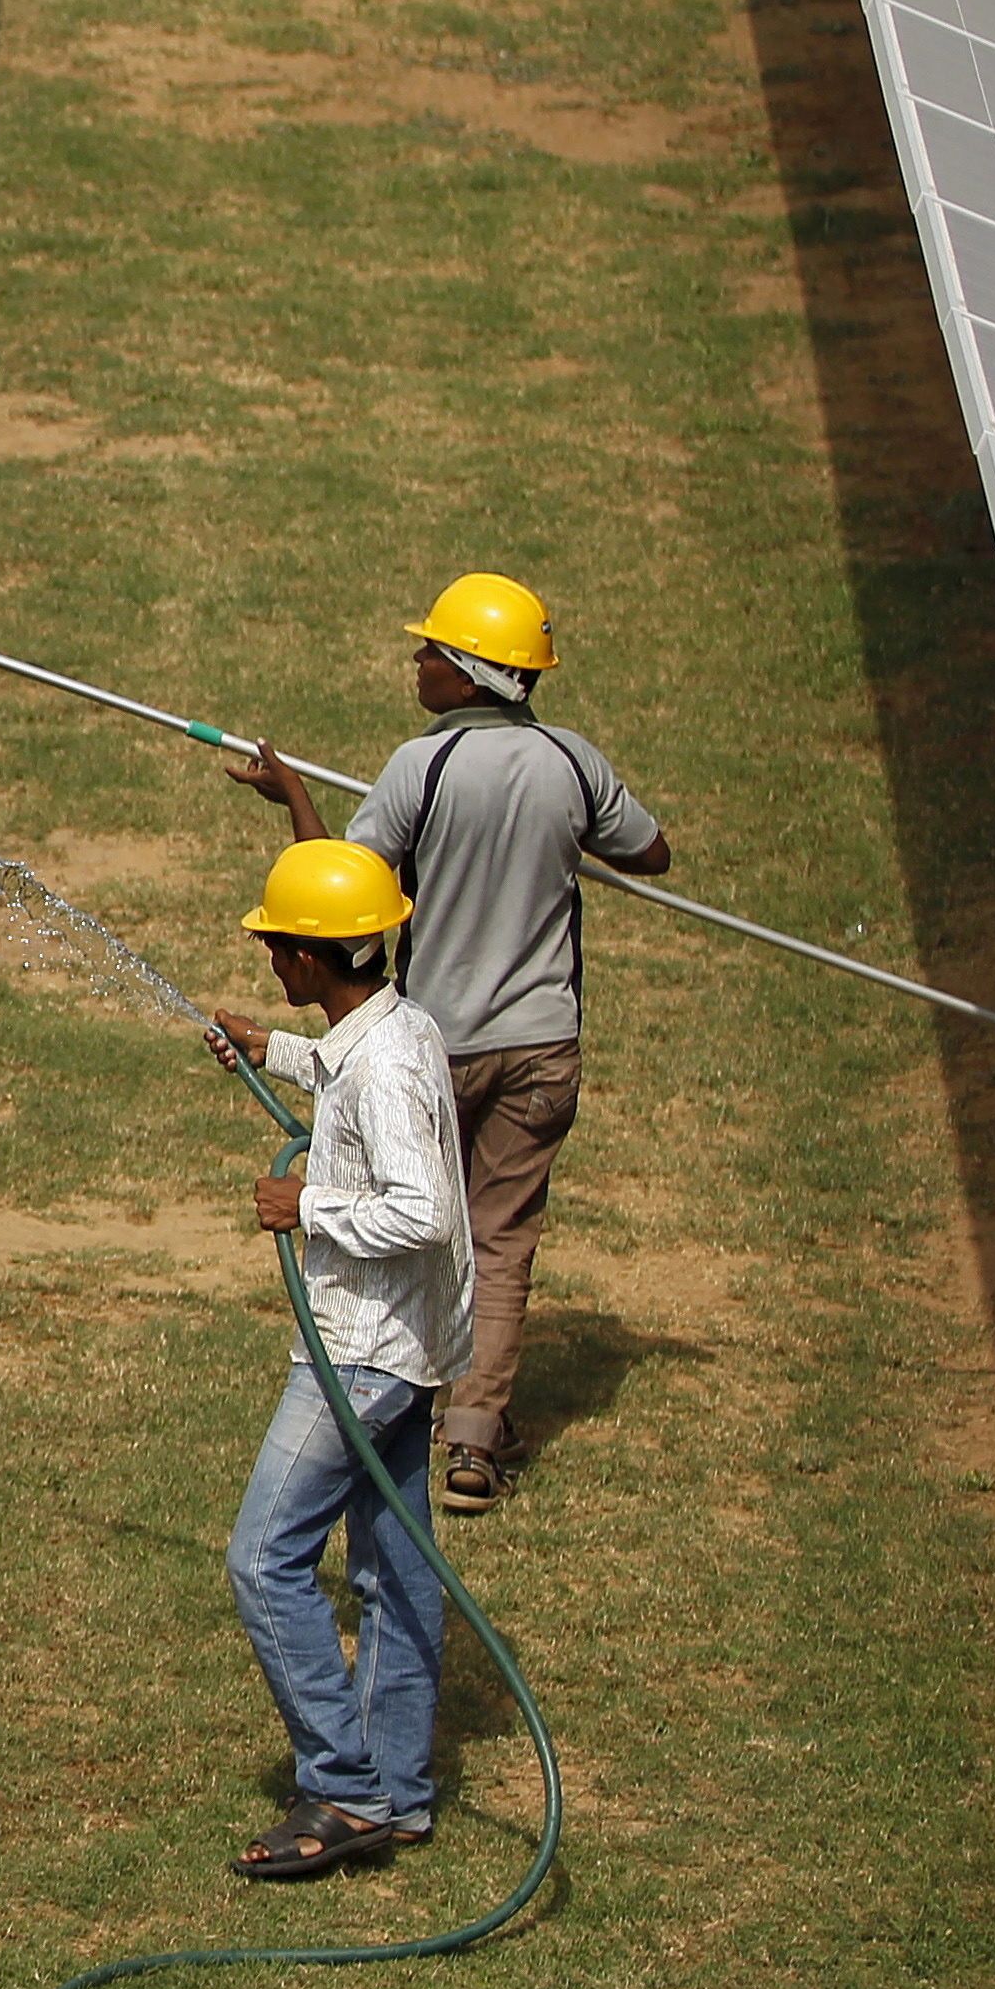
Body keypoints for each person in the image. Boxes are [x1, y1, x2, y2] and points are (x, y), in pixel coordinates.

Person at [225, 570, 666, 1514]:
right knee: (498, 1238)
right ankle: (471, 1440)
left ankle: (402, 1397)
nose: (415, 660)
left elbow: (343, 887)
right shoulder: (570, 763)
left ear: (469, 673)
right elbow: (649, 850)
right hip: (543, 1046)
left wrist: (293, 796)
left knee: (422, 1219)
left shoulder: (419, 768)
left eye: (429, 649)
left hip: (433, 1046)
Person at [203, 838, 474, 1879]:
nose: (269, 954)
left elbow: (422, 1208)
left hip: (355, 1360)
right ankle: (398, 1794)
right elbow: (344, 1069)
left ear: (313, 959)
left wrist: (302, 1204)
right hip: (407, 1358)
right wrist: (268, 1045)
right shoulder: (394, 1026)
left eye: (276, 944)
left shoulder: (387, 1068)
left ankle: (345, 1783)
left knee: (262, 1558)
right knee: (393, 1571)